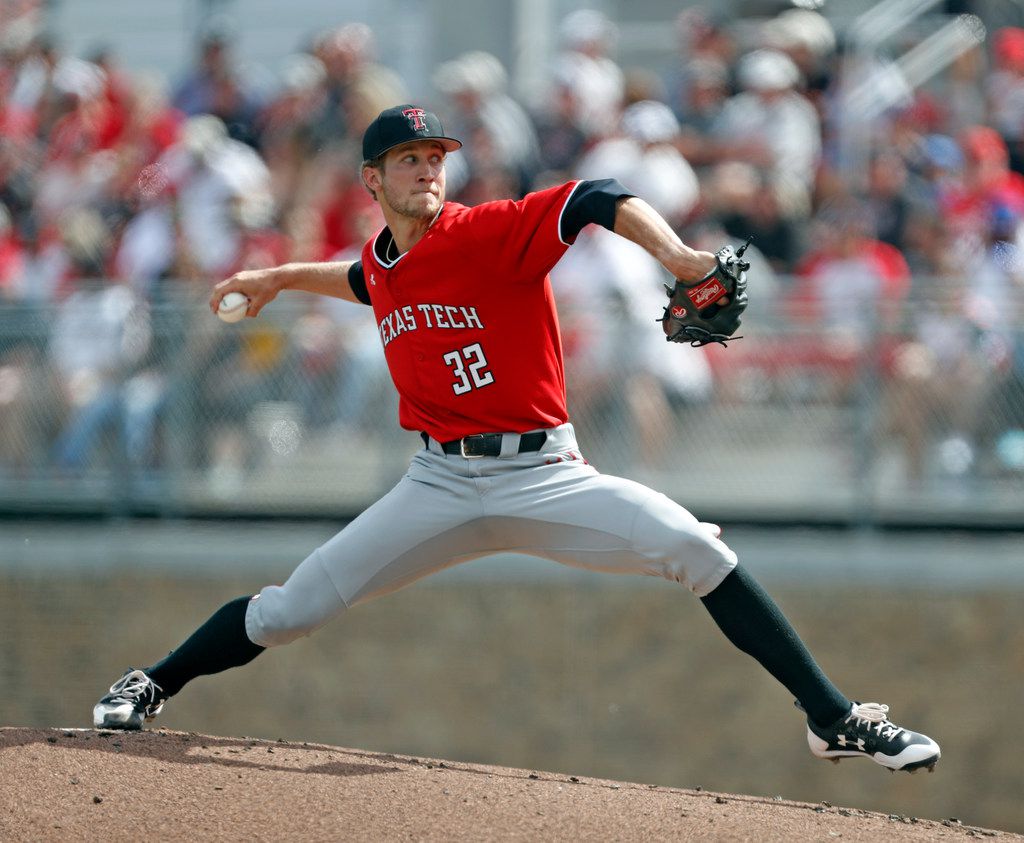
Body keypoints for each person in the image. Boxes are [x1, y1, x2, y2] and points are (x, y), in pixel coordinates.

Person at [93, 104, 940, 773]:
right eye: (409, 160)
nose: (428, 169)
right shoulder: (386, 260)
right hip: (437, 486)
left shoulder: (487, 231)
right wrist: (280, 276)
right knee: (289, 610)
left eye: (436, 158)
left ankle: (833, 719)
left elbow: (597, 197)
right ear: (373, 180)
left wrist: (682, 259)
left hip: (547, 474)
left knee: (694, 545)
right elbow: (363, 280)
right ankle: (150, 682)